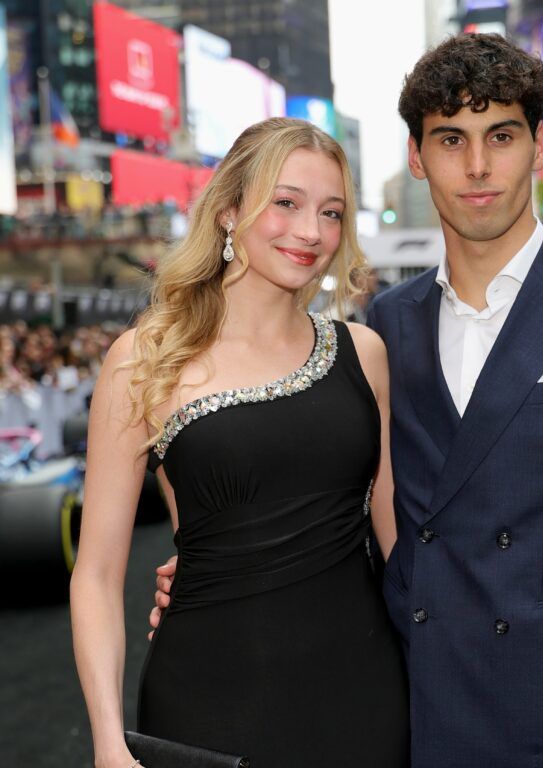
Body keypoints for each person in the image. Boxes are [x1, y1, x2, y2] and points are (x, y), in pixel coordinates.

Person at [152, 35, 543, 768]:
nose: (477, 166)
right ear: (416, 156)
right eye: (451, 139)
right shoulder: (385, 328)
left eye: (501, 136)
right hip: (414, 704)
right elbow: (349, 502)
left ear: (538, 147)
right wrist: (224, 570)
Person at [70, 117, 410, 768]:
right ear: (229, 210)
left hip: (362, 691)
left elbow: (397, 541)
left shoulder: (364, 354)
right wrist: (108, 743)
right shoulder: (145, 360)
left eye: (331, 212)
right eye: (286, 203)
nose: (311, 232)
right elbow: (98, 575)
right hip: (208, 700)